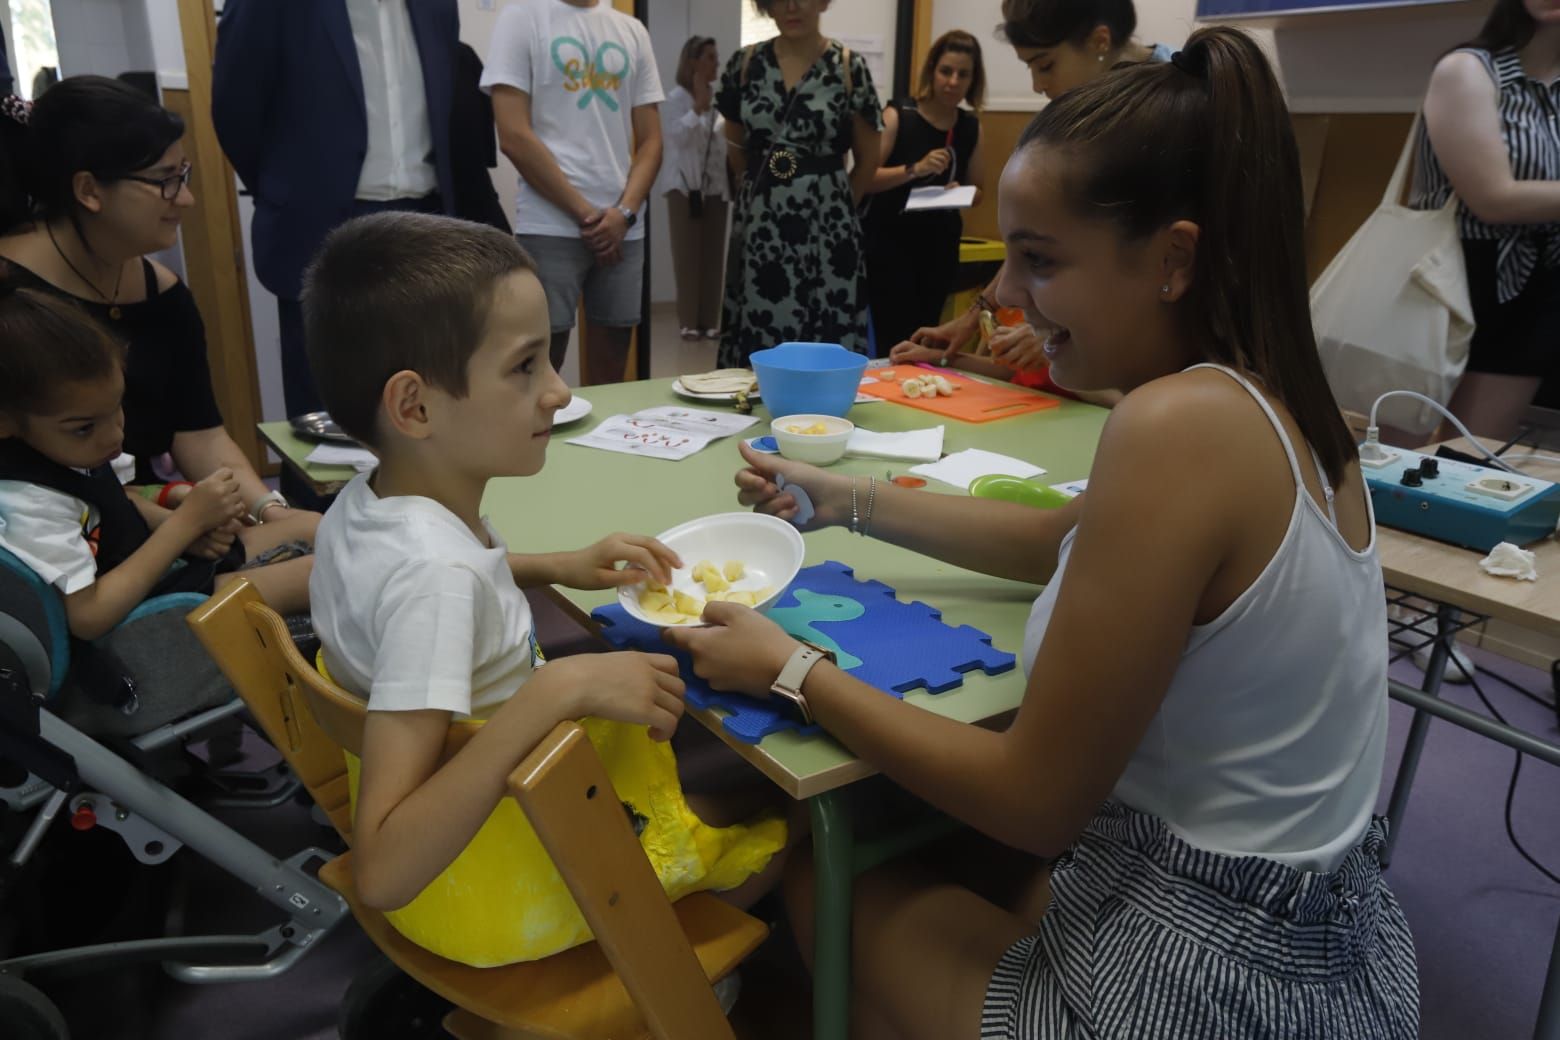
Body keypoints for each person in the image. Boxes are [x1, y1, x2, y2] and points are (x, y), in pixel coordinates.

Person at [666, 28, 1418, 1039]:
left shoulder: (1174, 426)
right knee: (939, 851)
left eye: (1040, 261)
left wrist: (791, 668)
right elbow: (1057, 536)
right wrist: (843, 498)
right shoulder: (1283, 403)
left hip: (1209, 987)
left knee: (821, 862)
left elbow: (1036, 802)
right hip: (1327, 941)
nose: (1005, 299)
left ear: (1173, 257)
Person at [301, 212, 785, 954]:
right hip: (499, 892)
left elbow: (424, 593)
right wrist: (555, 691)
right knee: (786, 808)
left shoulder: (366, 503)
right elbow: (387, 871)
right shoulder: (438, 583)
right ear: (415, 406)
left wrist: (553, 566)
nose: (559, 392)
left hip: (494, 847)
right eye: (526, 366)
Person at [0, 78, 321, 573]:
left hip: (161, 516)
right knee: (322, 570)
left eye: (184, 174)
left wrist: (269, 511)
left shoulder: (162, 293)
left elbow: (200, 436)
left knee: (322, 535)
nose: (185, 199)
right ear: (89, 190)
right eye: (166, 179)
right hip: (77, 549)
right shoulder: (12, 297)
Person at [212, 0, 476, 423]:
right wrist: (289, 188)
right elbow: (235, 108)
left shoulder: (437, 6)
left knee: (424, 390)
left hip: (424, 216)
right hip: (321, 221)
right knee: (324, 405)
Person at [0, 282, 311, 640]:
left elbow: (116, 500)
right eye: (85, 428)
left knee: (313, 526)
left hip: (160, 571)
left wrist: (174, 514)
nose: (115, 435)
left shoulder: (63, 448)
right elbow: (87, 617)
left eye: (117, 408)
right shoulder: (31, 503)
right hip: (136, 620)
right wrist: (185, 527)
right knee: (314, 575)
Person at [897, 0, 1172, 373]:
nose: (1037, 85)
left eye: (1045, 65)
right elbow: (1037, 241)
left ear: (1100, 41)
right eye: (1030, 68)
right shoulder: (1084, 106)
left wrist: (1061, 326)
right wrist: (976, 315)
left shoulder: (1176, 106)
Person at [483, 0, 663, 385]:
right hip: (550, 224)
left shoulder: (630, 30)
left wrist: (623, 214)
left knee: (613, 366)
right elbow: (513, 135)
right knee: (538, 364)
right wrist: (589, 215)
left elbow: (651, 142)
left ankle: (602, 446)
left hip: (623, 227)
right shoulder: (521, 17)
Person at [1412, 0, 1560, 440]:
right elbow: (1493, 198)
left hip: (1534, 292)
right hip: (1449, 280)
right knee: (1397, 468)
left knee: (1468, 465)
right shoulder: (1469, 70)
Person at [716, 0, 883, 366]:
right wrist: (765, 195)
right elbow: (736, 149)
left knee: (826, 335)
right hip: (762, 226)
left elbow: (869, 159)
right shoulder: (744, 65)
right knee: (760, 339)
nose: (792, 6)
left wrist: (835, 207)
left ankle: (826, 416)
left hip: (829, 229)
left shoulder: (847, 66)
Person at [863, 30, 987, 354]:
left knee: (926, 330)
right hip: (890, 244)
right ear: (932, 70)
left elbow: (979, 191)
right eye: (946, 71)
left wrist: (962, 192)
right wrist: (914, 169)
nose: (953, 81)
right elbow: (864, 178)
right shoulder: (899, 115)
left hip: (938, 246)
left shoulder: (970, 127)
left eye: (963, 74)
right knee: (892, 335)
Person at [659, 35, 730, 342]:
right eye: (710, 57)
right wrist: (697, 108)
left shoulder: (720, 100)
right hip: (684, 190)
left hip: (716, 189)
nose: (717, 63)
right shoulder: (674, 99)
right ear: (693, 62)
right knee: (688, 257)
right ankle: (689, 321)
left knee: (714, 257)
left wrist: (708, 105)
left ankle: (710, 321)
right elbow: (676, 139)